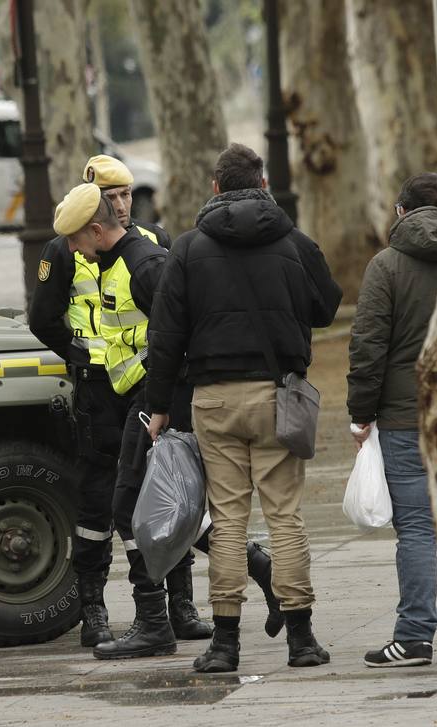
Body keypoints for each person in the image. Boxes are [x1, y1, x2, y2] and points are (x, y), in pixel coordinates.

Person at [144, 143, 342, 673]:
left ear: (214, 188)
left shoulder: (186, 251)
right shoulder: (293, 241)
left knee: (228, 520)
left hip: (214, 400)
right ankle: (301, 639)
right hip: (277, 397)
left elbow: (165, 336)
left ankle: (225, 643)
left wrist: (158, 407)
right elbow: (326, 306)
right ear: (262, 186)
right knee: (286, 517)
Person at [28, 155, 171, 647]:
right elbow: (43, 319)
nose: (122, 204)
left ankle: (178, 607)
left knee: (160, 490)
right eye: (112, 197)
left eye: (127, 194)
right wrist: (79, 354)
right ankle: (94, 612)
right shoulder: (67, 248)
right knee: (97, 499)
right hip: (95, 389)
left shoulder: (151, 244)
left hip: (138, 386)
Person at [345, 173, 437, 668]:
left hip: (403, 416)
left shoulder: (385, 266)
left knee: (416, 529)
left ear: (399, 212)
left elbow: (368, 346)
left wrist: (360, 415)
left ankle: (414, 635)